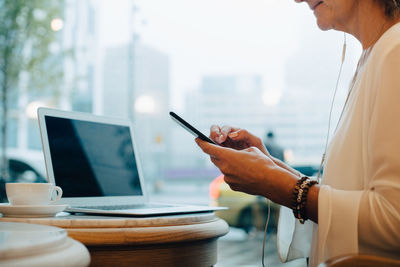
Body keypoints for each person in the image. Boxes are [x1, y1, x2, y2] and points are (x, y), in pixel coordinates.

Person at [195, 0, 400, 266]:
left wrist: (275, 183)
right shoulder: (374, 56)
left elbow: (393, 219)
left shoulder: (394, 52)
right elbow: (351, 192)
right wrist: (270, 167)